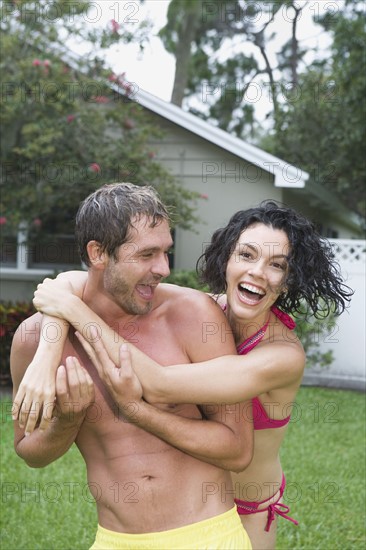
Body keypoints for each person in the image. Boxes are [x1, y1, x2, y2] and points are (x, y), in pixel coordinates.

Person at [14, 200, 352, 549]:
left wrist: (75, 312)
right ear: (228, 259)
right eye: (247, 255)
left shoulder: (281, 356)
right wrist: (48, 351)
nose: (257, 272)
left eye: (277, 265)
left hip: (250, 508)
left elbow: (159, 384)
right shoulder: (205, 310)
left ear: (289, 278)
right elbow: (74, 281)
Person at [11, 183, 253, 550]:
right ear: (98, 253)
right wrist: (69, 419)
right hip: (115, 540)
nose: (163, 269)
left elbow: (237, 450)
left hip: (209, 536)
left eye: (166, 252)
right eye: (146, 254)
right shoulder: (35, 340)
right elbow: (29, 451)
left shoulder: (193, 316)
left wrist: (138, 411)